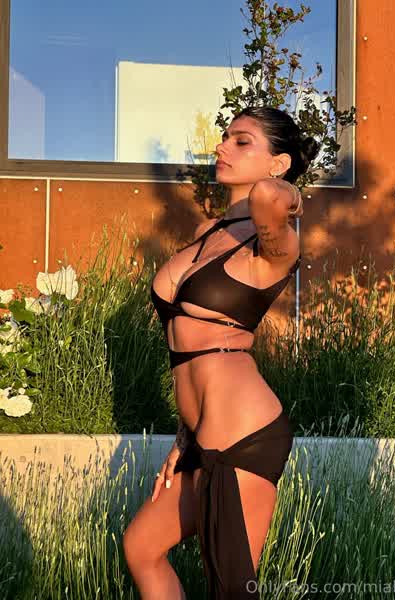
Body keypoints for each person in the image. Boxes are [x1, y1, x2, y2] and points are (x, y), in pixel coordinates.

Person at [123, 106, 320, 599]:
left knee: (232, 588)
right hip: (200, 431)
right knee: (142, 547)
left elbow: (272, 200)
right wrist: (184, 436)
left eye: (241, 141)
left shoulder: (273, 243)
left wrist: (288, 190)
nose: (221, 147)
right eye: (225, 137)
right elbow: (187, 350)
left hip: (244, 433)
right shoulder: (207, 233)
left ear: (278, 164)